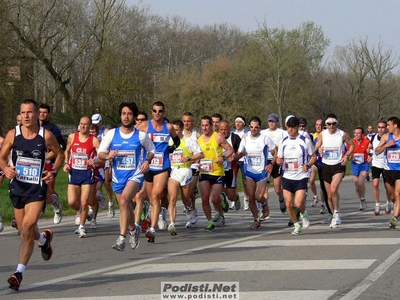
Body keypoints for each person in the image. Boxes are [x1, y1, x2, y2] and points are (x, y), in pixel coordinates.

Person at [0, 99, 64, 291]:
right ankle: (43, 239)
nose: (26, 116)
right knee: (23, 231)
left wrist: (52, 172)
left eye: (29, 112)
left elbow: (60, 154)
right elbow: (1, 158)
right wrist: (6, 169)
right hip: (17, 187)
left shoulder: (46, 136)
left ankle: (18, 273)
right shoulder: (13, 134)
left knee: (28, 226)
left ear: (37, 114)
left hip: (36, 189)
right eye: (23, 112)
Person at [98, 102, 155, 251]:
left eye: (129, 114)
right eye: (124, 113)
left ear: (134, 117)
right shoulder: (112, 134)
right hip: (118, 176)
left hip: (135, 175)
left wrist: (147, 161)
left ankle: (121, 238)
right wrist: (108, 155)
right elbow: (101, 153)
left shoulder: (141, 136)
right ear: (120, 115)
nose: (126, 116)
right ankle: (133, 230)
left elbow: (152, 150)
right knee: (125, 207)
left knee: (124, 201)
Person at [142, 101, 180, 242]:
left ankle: (152, 229)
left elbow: (177, 141)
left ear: (164, 112)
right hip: (148, 166)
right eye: (155, 110)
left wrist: (171, 148)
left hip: (162, 166)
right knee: (152, 199)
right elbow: (135, 140)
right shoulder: (145, 125)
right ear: (151, 112)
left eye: (160, 111)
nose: (157, 113)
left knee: (156, 194)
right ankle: (158, 213)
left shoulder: (168, 127)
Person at [277, 116, 316, 235]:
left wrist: (308, 166)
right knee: (288, 204)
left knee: (298, 203)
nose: (290, 130)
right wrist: (279, 161)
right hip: (287, 176)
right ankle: (296, 225)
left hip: (301, 176)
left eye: (292, 127)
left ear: (297, 127)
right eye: (288, 127)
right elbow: (279, 158)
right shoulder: (283, 141)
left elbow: (313, 156)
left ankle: (304, 215)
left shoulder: (305, 140)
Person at [63, 116, 101, 238]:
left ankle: (82, 227)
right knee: (72, 201)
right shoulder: (72, 137)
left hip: (87, 173)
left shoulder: (94, 140)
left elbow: (102, 157)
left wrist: (94, 161)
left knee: (84, 202)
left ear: (90, 127)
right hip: (74, 172)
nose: (83, 126)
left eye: (85, 124)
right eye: (81, 124)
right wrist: (66, 163)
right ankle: (80, 211)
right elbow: (67, 151)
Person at [314, 113, 354, 228]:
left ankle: (336, 213)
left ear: (336, 123)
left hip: (338, 165)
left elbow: (351, 145)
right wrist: (319, 150)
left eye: (333, 124)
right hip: (326, 166)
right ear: (326, 124)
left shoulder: (342, 134)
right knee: (329, 195)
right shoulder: (322, 134)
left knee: (333, 189)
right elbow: (316, 147)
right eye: (329, 124)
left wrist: (346, 156)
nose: (331, 126)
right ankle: (334, 214)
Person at [237, 116, 277, 228]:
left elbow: (275, 152)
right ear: (249, 127)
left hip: (261, 172)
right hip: (249, 171)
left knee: (259, 196)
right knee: (251, 197)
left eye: (256, 127)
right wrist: (235, 156)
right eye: (251, 127)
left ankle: (264, 203)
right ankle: (256, 220)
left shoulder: (265, 138)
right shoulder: (245, 139)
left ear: (259, 127)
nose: (253, 129)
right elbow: (239, 152)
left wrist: (271, 164)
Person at [167, 119, 204, 235]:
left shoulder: (188, 141)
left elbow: (201, 154)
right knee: (172, 198)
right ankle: (172, 223)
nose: (174, 132)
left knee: (185, 198)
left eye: (176, 130)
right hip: (174, 171)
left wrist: (189, 158)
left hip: (185, 171)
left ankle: (190, 209)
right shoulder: (169, 142)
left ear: (181, 129)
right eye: (173, 130)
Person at [198, 116, 233, 232]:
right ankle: (210, 221)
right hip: (204, 171)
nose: (204, 128)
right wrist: (196, 161)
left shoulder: (218, 137)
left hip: (217, 172)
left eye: (207, 125)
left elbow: (230, 149)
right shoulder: (199, 140)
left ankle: (221, 210)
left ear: (212, 125)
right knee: (204, 198)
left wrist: (223, 158)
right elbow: (196, 154)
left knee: (214, 198)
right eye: (202, 125)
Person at [38, 104, 66, 224]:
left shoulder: (53, 129)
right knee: (36, 189)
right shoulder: (32, 126)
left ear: (49, 114)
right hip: (35, 164)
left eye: (45, 112)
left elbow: (61, 147)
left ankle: (55, 204)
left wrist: (47, 156)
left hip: (50, 163)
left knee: (49, 189)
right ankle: (41, 207)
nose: (42, 114)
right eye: (40, 112)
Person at [375, 116, 400, 229]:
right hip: (388, 170)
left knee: (397, 194)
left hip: (399, 170)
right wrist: (386, 146)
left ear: (395, 125)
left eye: (389, 125)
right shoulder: (386, 137)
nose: (387, 127)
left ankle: (394, 218)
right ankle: (397, 209)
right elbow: (376, 151)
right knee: (392, 196)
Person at [260, 113, 286, 214]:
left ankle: (281, 199)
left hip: (277, 162)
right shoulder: (263, 132)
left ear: (277, 122)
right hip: (266, 162)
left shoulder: (282, 133)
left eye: (273, 121)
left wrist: (277, 149)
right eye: (270, 121)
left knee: (277, 189)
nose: (271, 123)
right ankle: (265, 209)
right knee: (264, 188)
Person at [91, 113, 115, 218]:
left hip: (105, 158)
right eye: (94, 123)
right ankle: (97, 200)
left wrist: (110, 161)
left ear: (101, 122)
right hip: (95, 159)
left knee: (107, 182)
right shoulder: (91, 131)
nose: (96, 125)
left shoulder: (106, 132)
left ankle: (110, 202)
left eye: (98, 123)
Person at [369, 120, 392, 215]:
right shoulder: (374, 137)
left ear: (386, 128)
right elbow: (370, 147)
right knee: (375, 184)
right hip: (376, 164)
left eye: (383, 127)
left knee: (388, 186)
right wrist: (369, 155)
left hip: (386, 164)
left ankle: (388, 202)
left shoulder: (389, 137)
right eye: (379, 127)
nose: (381, 129)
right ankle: (377, 205)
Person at [182, 112, 201, 221]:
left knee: (190, 190)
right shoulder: (179, 134)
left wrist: (197, 157)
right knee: (186, 194)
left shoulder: (197, 135)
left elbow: (202, 151)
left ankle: (192, 211)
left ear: (192, 122)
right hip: (182, 167)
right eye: (184, 121)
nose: (186, 123)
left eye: (188, 121)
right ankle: (190, 208)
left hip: (194, 165)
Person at [219, 120, 241, 211]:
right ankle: (220, 214)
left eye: (225, 129)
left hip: (231, 169)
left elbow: (242, 152)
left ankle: (236, 198)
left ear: (229, 129)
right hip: (219, 169)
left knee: (231, 195)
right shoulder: (216, 138)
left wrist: (235, 157)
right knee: (217, 191)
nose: (223, 131)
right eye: (221, 129)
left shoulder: (235, 138)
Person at [311, 119, 330, 215]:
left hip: (324, 163)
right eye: (317, 125)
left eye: (320, 125)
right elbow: (313, 149)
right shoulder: (315, 138)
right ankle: (315, 196)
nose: (318, 127)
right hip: (316, 162)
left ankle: (323, 204)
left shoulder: (327, 136)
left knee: (323, 186)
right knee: (310, 180)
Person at [351, 127, 372, 210]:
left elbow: (372, 151)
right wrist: (349, 155)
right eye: (355, 133)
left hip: (364, 164)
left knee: (360, 183)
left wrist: (370, 155)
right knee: (357, 186)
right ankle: (361, 200)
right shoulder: (352, 142)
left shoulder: (366, 142)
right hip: (355, 165)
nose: (356, 134)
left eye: (358, 133)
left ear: (362, 134)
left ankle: (362, 198)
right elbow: (348, 151)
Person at [231, 115, 249, 210]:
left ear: (243, 124)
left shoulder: (247, 133)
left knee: (245, 181)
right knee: (233, 181)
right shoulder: (231, 133)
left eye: (240, 122)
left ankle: (246, 199)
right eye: (236, 122)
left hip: (244, 160)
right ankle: (234, 199)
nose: (238, 124)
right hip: (234, 160)